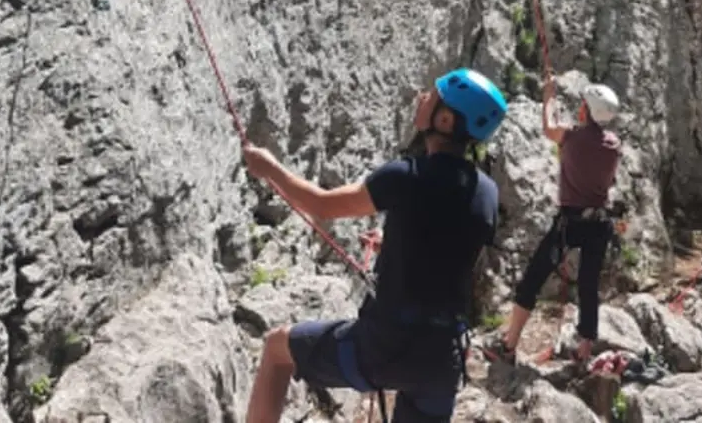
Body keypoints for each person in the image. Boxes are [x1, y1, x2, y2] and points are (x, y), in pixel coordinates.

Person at [241, 68, 508, 423]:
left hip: (383, 347)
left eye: (432, 95)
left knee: (277, 349)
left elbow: (323, 205)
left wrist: (269, 169)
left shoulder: (405, 175)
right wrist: (396, 243)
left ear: (444, 119)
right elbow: (449, 257)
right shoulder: (487, 192)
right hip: (442, 360)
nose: (422, 97)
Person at [489, 77, 621, 364]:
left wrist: (548, 95)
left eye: (583, 105)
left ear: (587, 110)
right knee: (588, 285)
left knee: (533, 279)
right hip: (599, 224)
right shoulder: (613, 145)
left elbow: (549, 127)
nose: (580, 108)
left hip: (570, 223)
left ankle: (509, 345)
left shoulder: (573, 137)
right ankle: (584, 351)